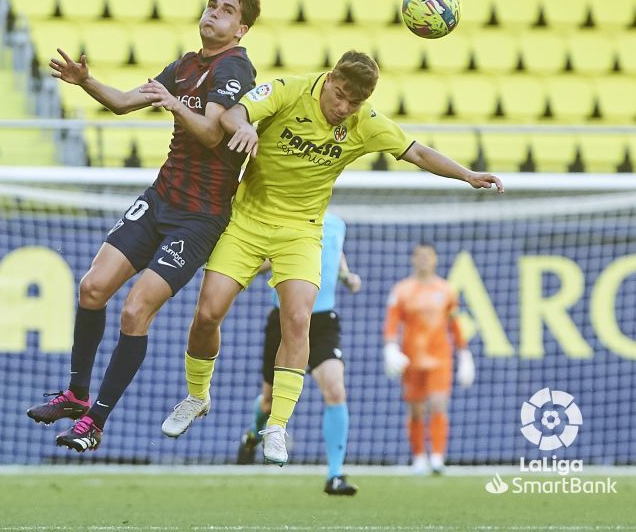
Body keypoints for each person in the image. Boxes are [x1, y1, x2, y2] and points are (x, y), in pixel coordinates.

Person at [161, 51, 502, 466]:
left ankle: (277, 426)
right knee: (207, 314)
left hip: (302, 230)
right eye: (339, 95)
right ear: (329, 79)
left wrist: (467, 175)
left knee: (298, 318)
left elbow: (417, 152)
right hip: (247, 221)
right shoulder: (289, 90)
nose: (343, 108)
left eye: (353, 103)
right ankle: (197, 396)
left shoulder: (365, 122)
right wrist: (245, 127)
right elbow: (234, 113)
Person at [25, 0, 261, 453]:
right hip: (160, 199)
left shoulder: (235, 67)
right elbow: (123, 103)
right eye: (211, 5)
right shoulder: (186, 65)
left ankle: (95, 421)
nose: (213, 13)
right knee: (92, 288)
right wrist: (85, 81)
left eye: (226, 10)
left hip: (199, 218)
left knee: (135, 310)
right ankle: (76, 394)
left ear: (241, 28)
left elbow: (212, 134)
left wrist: (173, 105)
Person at [236, 212, 362, 496]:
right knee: (269, 402)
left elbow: (335, 250)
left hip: (322, 322)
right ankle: (253, 435)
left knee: (335, 390)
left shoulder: (336, 223)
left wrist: (345, 275)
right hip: (286, 319)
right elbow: (263, 260)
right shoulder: (286, 216)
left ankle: (335, 475)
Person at [382, 242, 475, 475]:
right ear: (413, 259)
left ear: (435, 259)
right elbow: (392, 323)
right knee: (415, 409)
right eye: (419, 256)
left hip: (440, 358)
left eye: (428, 256)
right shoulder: (402, 290)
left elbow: (455, 324)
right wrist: (390, 348)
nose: (423, 260)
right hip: (411, 358)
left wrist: (464, 354)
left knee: (438, 404)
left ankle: (437, 457)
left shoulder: (446, 290)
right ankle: (419, 457)